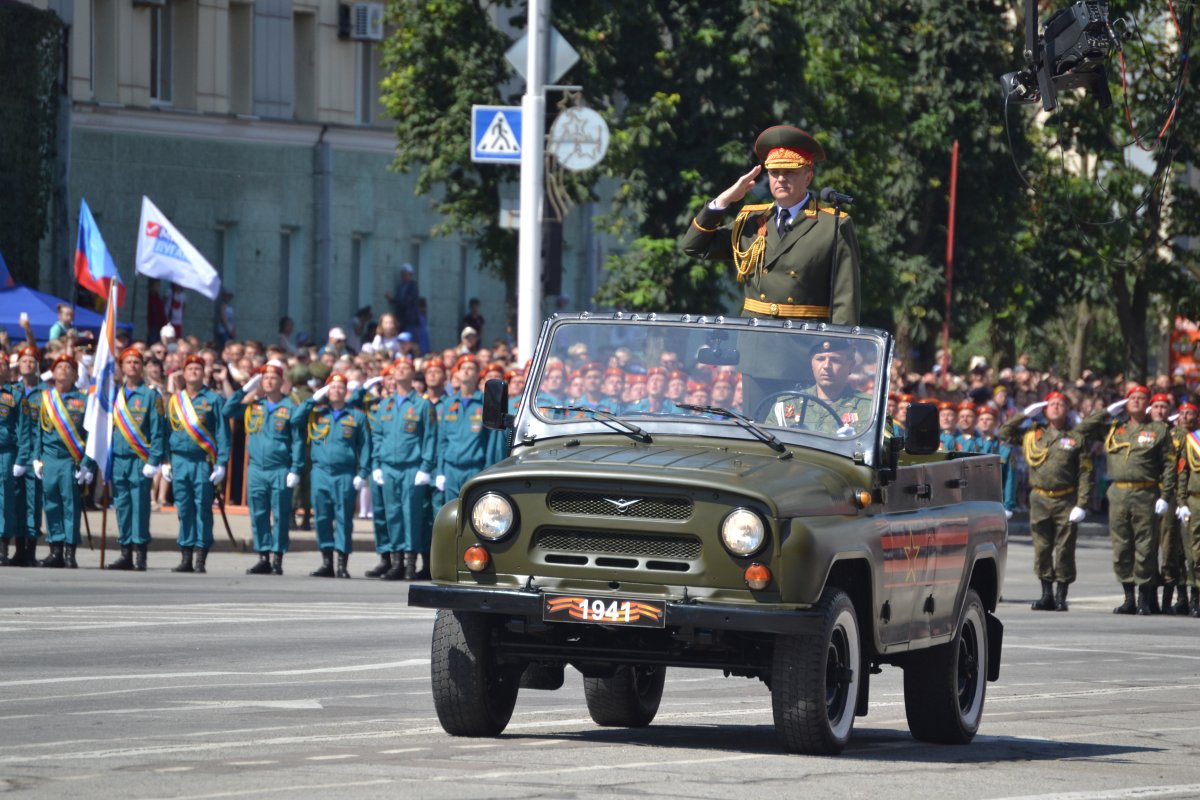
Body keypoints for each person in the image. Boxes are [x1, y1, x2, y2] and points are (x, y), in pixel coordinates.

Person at [680, 125, 861, 326]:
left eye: (790, 172)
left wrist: (838, 347)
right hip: (755, 338)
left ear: (808, 176)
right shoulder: (750, 220)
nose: (781, 179)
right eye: (774, 172)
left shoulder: (833, 224)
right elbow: (694, 247)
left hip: (805, 341)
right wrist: (723, 201)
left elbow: (845, 295)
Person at [999, 391, 1095, 611]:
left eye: (1061, 404)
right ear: (1044, 409)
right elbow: (1004, 432)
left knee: (1064, 549)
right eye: (1052, 404)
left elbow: (1085, 473)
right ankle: (1046, 594)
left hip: (1066, 499)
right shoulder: (1033, 434)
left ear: (1067, 410)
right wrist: (1023, 414)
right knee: (1042, 548)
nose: (1056, 407)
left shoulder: (1076, 438)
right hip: (1040, 497)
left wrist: (1082, 503)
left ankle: (1061, 596)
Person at [1087, 385, 1177, 615]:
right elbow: (1083, 429)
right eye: (1132, 398)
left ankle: (1145, 599)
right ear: (1125, 404)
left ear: (1146, 404)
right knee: (1121, 546)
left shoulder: (1157, 430)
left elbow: (1168, 466)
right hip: (1118, 493)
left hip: (1146, 493)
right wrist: (1107, 410)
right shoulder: (1115, 429)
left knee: (1145, 547)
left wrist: (1165, 496)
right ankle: (1128, 597)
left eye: (1141, 398)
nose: (1136, 401)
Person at [225, 360, 304, 576]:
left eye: (273, 378)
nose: (268, 381)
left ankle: (277, 557)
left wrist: (296, 469)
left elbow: (298, 440)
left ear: (281, 381)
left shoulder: (290, 408)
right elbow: (229, 409)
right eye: (265, 378)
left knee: (279, 514)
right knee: (258, 513)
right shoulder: (254, 406)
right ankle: (263, 556)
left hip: (280, 468)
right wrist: (245, 389)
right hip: (257, 469)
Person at [370, 358, 438, 580]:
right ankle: (396, 562)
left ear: (412, 374)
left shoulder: (422, 405)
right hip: (389, 467)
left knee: (412, 515)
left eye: (405, 368)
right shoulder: (384, 405)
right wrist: (377, 464)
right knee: (393, 515)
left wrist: (426, 467)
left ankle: (410, 563)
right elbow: (377, 436)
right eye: (397, 368)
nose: (400, 371)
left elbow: (430, 437)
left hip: (412, 467)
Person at [298, 373, 371, 578]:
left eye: (340, 387)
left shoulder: (356, 416)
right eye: (332, 387)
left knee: (344, 518)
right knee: (321, 517)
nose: (336, 390)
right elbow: (296, 420)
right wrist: (313, 399)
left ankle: (342, 564)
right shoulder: (317, 413)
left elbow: (365, 447)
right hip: (321, 472)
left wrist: (362, 473)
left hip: (344, 473)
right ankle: (327, 562)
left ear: (346, 391)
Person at [164, 354, 230, 574]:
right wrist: (165, 460)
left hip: (202, 462)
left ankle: (200, 557)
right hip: (180, 461)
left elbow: (222, 434)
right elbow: (166, 431)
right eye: (190, 368)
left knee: (202, 508)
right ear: (183, 373)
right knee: (183, 509)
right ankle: (185, 556)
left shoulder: (213, 400)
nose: (193, 371)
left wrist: (221, 463)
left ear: (204, 373)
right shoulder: (174, 401)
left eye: (198, 368)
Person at [31, 355, 96, 569]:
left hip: (71, 460)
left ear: (76, 375)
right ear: (53, 372)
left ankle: (70, 551)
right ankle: (55, 549)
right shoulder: (44, 398)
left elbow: (91, 435)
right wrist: (36, 458)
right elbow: (38, 431)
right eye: (59, 366)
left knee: (71, 506)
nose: (64, 370)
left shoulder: (83, 399)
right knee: (51, 504)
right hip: (49, 458)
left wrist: (87, 463)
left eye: (69, 367)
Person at [108, 347, 166, 572]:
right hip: (119, 460)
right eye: (128, 362)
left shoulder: (151, 395)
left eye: (136, 362)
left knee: (140, 507)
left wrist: (154, 460)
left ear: (141, 367)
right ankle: (125, 552)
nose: (132, 365)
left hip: (140, 460)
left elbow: (157, 430)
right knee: (122, 506)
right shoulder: (114, 395)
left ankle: (140, 554)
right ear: (121, 367)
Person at [762, 338, 873, 436]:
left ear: (850, 365)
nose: (826, 366)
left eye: (835, 360)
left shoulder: (869, 408)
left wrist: (856, 443)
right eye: (820, 359)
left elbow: (883, 450)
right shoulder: (787, 404)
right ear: (811, 363)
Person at [435, 356, 506, 505]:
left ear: (478, 374)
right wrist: (440, 471)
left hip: (475, 469)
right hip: (451, 469)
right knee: (452, 518)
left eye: (471, 368)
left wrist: (488, 471)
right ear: (458, 373)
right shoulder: (449, 403)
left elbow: (492, 443)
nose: (466, 371)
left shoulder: (486, 403)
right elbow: (442, 441)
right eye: (463, 368)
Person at [1173, 400, 1200, 617]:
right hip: (1194, 501)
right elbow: (1182, 473)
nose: (1185, 417)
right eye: (1182, 413)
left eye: (1189, 413)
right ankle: (1192, 599)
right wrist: (1181, 502)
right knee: (1191, 551)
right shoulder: (1191, 441)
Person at [385, 263, 419, 335]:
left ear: (410, 275)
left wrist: (393, 299)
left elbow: (406, 301)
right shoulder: (401, 287)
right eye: (402, 275)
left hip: (409, 319)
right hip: (400, 318)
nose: (404, 277)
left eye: (406, 274)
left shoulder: (413, 287)